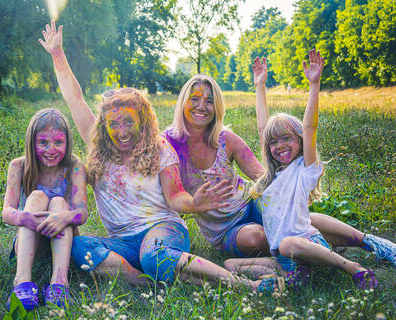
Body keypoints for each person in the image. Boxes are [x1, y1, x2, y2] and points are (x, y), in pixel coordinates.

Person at [38, 20, 277, 293]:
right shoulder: (99, 148)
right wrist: (58, 54)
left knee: (154, 255)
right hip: (123, 241)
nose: (122, 131)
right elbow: (75, 99)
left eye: (129, 122)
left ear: (142, 120)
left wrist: (196, 203)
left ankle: (244, 285)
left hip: (163, 229)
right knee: (78, 247)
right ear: (105, 125)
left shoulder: (159, 147)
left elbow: (176, 196)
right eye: (114, 124)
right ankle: (142, 282)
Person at [162, 64, 396, 268]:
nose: (201, 106)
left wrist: (291, 189)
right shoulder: (168, 144)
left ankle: (371, 242)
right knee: (255, 237)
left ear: (217, 107)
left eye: (209, 101)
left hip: (251, 203)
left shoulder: (226, 138)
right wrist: (195, 204)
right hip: (225, 230)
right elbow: (170, 194)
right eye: (194, 99)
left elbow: (264, 173)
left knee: (294, 216)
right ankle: (310, 252)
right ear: (183, 102)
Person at [224, 51, 377, 289]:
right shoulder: (273, 175)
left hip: (304, 243)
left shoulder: (304, 169)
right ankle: (296, 275)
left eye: (287, 139)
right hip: (283, 256)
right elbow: (263, 128)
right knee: (231, 265)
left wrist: (314, 85)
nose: (280, 145)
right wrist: (260, 86)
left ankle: (352, 268)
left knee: (287, 244)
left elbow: (309, 127)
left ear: (299, 141)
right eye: (274, 142)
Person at [2, 108, 88, 310]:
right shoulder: (18, 166)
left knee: (58, 203)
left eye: (58, 142)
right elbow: (6, 211)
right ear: (32, 143)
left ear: (67, 143)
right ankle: (21, 281)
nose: (51, 149)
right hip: (29, 244)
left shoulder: (75, 167)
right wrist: (27, 218)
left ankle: (60, 284)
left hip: (64, 243)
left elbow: (82, 213)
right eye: (43, 143)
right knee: (37, 196)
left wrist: (62, 218)